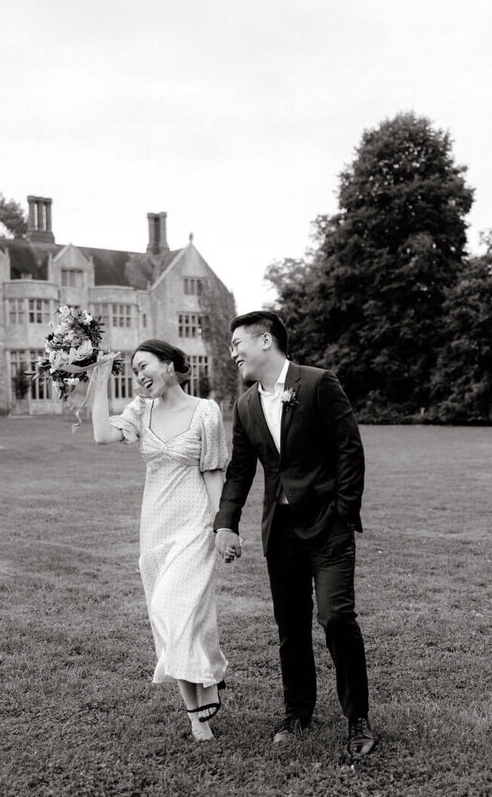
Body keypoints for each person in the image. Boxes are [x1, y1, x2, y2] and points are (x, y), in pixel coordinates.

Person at [212, 310, 376, 758]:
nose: (234, 355)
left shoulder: (318, 383)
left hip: (328, 528)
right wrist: (226, 522)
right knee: (290, 628)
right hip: (280, 533)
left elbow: (349, 449)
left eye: (237, 345)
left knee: (336, 617)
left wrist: (343, 512)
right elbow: (241, 470)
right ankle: (297, 712)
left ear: (265, 341)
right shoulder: (246, 405)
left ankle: (357, 718)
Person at [89, 339, 230, 742]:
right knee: (171, 617)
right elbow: (101, 435)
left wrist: (222, 527)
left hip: (194, 525)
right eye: (133, 370)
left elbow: (214, 471)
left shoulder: (206, 411)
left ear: (168, 365)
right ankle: (204, 688)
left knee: (175, 608)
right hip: (155, 529)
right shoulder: (140, 411)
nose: (138, 375)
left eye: (144, 366)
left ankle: (198, 714)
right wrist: (99, 380)